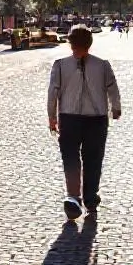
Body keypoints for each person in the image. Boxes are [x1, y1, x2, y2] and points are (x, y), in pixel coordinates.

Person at [48, 25, 122, 220]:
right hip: (82, 118)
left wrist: (52, 117)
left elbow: (53, 92)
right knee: (81, 158)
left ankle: (84, 197)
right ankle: (79, 197)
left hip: (84, 118)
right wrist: (115, 108)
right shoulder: (65, 65)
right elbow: (112, 88)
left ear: (73, 44)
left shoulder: (94, 65)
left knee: (87, 159)